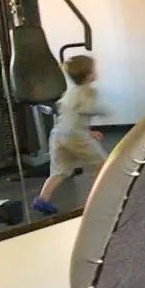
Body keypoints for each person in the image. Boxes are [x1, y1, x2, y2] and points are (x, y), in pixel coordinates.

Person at [32, 54, 109, 215]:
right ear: (90, 75)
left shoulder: (70, 92)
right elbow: (85, 110)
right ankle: (97, 201)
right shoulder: (88, 92)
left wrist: (89, 131)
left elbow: (70, 116)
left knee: (59, 171)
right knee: (103, 165)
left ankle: (42, 199)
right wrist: (102, 111)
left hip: (58, 134)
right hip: (75, 135)